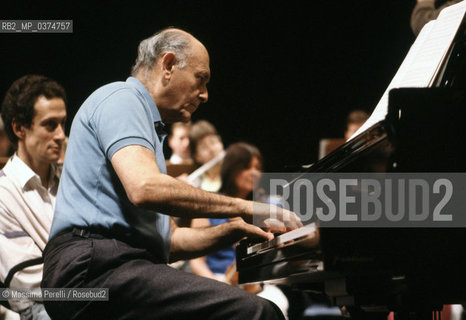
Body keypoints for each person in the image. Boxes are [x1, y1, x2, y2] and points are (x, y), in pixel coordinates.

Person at [41, 27, 301, 320]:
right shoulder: (122, 98)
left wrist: (233, 229)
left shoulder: (150, 133)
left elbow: (172, 242)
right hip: (90, 268)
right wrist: (244, 206)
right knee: (258, 312)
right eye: (200, 79)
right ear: (167, 66)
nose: (204, 95)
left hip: (113, 266)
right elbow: (144, 188)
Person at [190, 142, 290, 319]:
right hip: (217, 279)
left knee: (278, 302)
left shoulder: (264, 207)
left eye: (258, 168)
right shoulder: (209, 204)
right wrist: (217, 282)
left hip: (253, 282)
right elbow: (196, 262)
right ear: (231, 169)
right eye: (246, 167)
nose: (254, 173)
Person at [0, 75, 67, 319]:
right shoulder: (3, 193)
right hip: (43, 308)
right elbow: (27, 283)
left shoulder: (73, 180)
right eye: (50, 125)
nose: (60, 134)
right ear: (19, 128)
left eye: (62, 123)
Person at [189, 119, 224, 192]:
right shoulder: (194, 183)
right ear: (197, 156)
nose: (211, 149)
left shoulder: (234, 174)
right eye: (204, 147)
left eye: (213, 142)